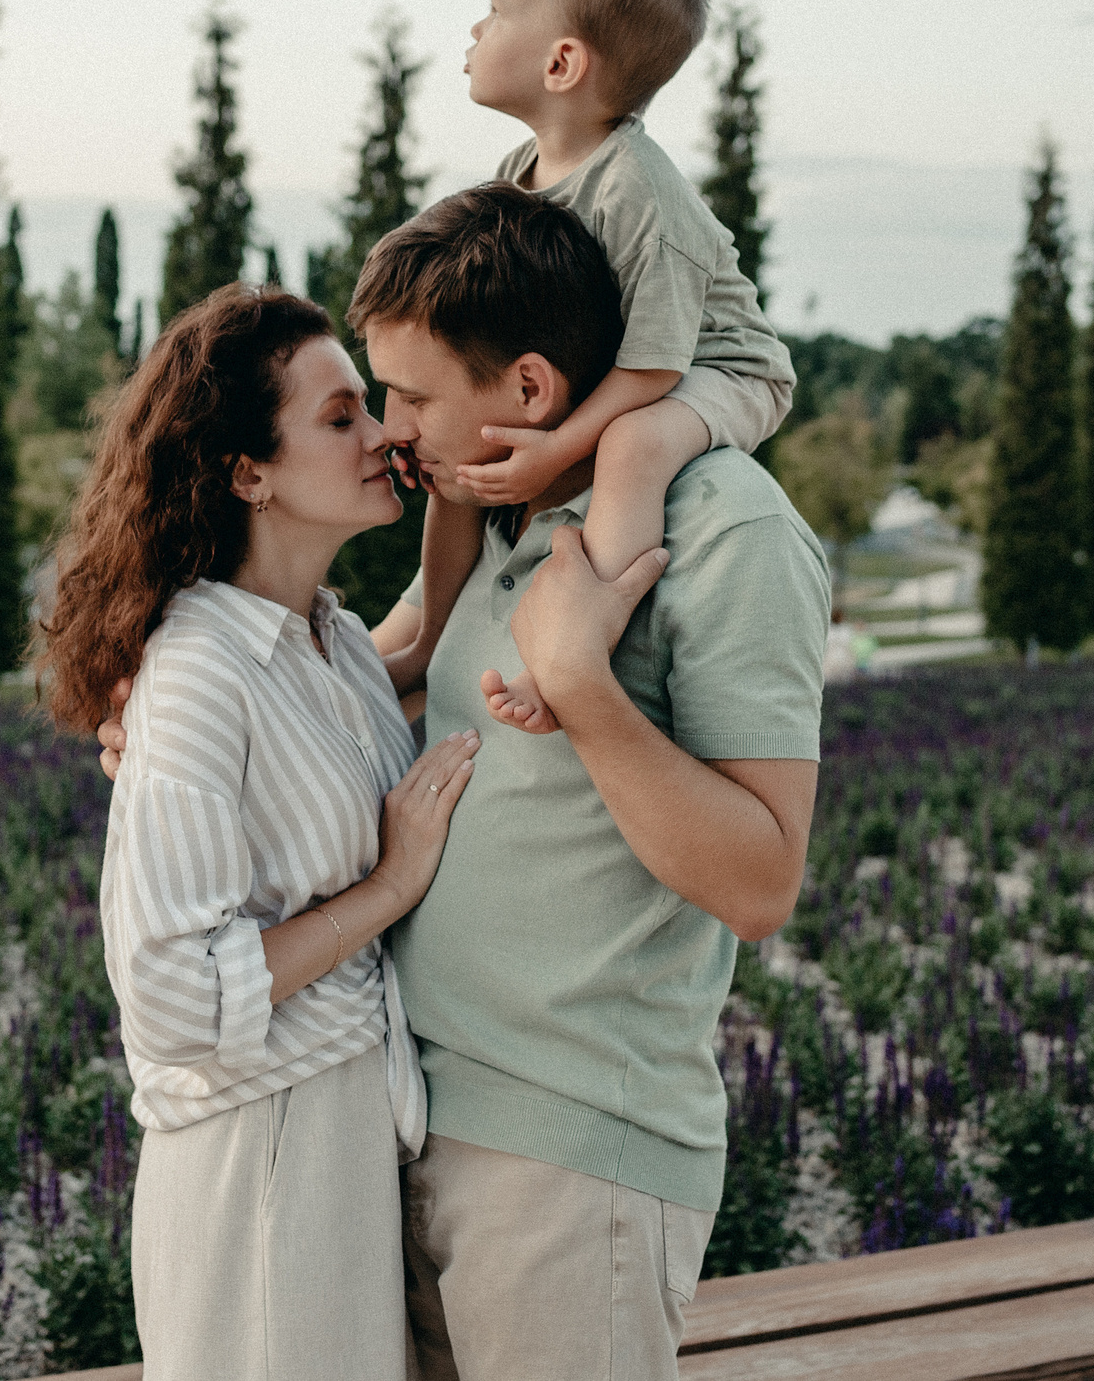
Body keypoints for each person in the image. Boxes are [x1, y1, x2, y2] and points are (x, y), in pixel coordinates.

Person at [359, 185, 826, 1378]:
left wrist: (581, 683)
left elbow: (762, 880)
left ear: (527, 387)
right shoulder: (497, 519)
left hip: (572, 1158)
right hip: (413, 1124)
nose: (387, 427)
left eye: (410, 397)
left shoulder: (727, 531)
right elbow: (382, 685)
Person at [42, 285, 484, 1381]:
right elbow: (173, 998)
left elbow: (429, 624)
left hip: (343, 1147)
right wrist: (387, 886)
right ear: (248, 472)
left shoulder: (322, 637)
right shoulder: (195, 674)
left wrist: (459, 470)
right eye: (341, 418)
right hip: (264, 1166)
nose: (380, 432)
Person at [377, 0, 796, 735]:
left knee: (634, 445)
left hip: (721, 368)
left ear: (562, 62)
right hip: (645, 362)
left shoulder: (639, 191)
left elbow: (654, 370)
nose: (473, 28)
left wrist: (556, 455)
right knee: (466, 454)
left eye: (496, 12)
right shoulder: (520, 170)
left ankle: (576, 651)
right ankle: (427, 638)